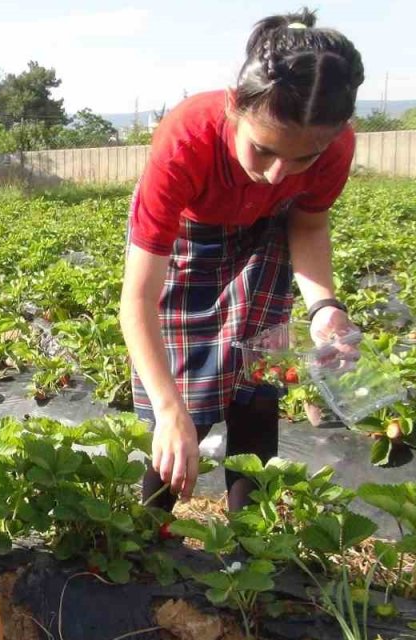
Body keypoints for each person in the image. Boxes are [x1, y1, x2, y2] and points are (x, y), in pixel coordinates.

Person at [119, 8, 364, 513]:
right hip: (191, 236)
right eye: (263, 149)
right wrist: (168, 409)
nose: (277, 174)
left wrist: (324, 307)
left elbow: (308, 225)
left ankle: (250, 539)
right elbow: (138, 300)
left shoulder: (335, 146)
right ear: (235, 105)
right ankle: (146, 533)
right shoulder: (187, 140)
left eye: (302, 159)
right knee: (184, 396)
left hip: (267, 233)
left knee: (257, 383)